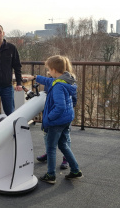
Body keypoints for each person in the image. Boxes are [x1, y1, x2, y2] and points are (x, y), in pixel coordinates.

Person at [35, 55, 82, 184]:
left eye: (49, 70)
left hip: (56, 121)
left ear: (54, 70)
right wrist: (35, 78)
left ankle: (51, 175)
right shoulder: (67, 80)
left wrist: (48, 119)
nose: (48, 72)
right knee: (63, 145)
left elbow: (59, 107)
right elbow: (49, 81)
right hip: (66, 119)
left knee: (50, 148)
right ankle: (75, 170)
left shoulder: (58, 86)